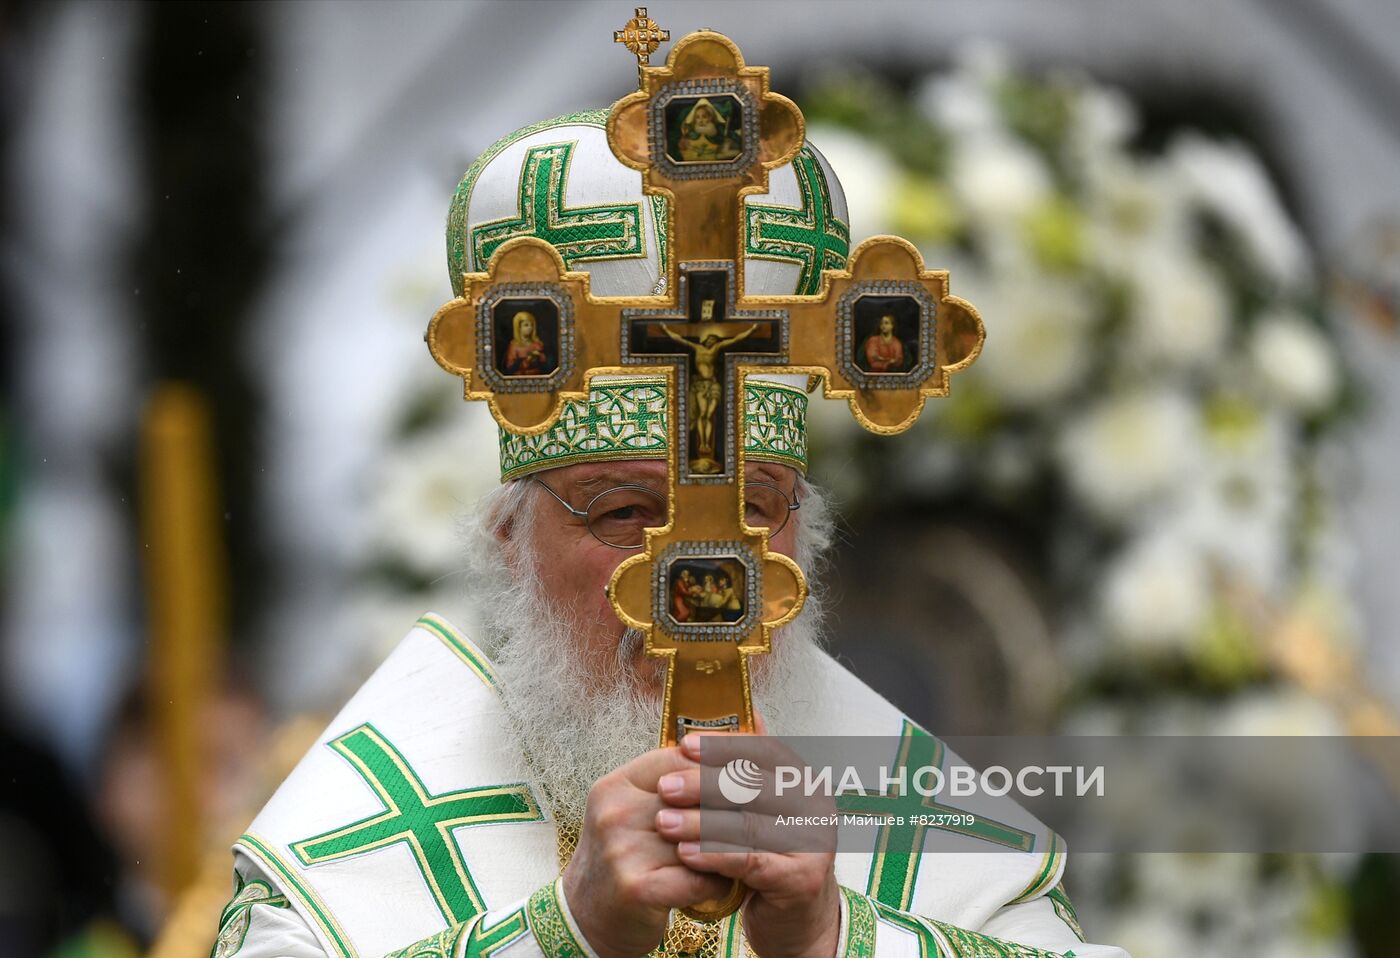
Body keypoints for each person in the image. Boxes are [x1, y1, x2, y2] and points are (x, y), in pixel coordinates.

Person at [217, 113, 1127, 958]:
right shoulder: (372, 820)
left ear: (803, 542)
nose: (697, 576)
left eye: (755, 512)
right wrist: (565, 931)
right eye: (622, 514)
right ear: (509, 547)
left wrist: (827, 939)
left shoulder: (925, 824)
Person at [676, 98, 741, 162]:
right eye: (697, 117)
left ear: (710, 118)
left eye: (704, 117)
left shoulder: (714, 132)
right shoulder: (691, 133)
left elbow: (720, 142)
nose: (701, 120)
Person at [504, 310, 549, 376]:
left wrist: (540, 356)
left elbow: (545, 365)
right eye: (526, 325)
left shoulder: (537, 344)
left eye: (531, 325)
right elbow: (510, 368)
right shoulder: (514, 346)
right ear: (518, 327)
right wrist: (527, 360)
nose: (530, 328)